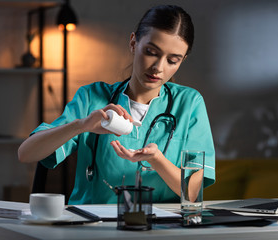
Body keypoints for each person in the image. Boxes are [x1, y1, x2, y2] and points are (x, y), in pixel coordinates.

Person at [18, 4, 215, 204]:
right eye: (151, 52)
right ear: (133, 43)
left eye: (173, 60)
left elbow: (192, 194)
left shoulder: (189, 103)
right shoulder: (91, 97)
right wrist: (81, 125)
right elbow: (26, 153)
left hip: (161, 227)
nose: (158, 68)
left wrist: (157, 160)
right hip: (93, 225)